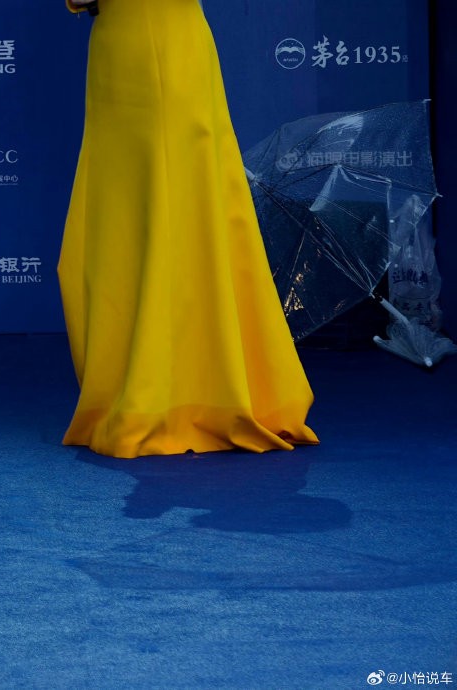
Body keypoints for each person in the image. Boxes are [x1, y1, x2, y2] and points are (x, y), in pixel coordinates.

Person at [59, 0, 319, 458]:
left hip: (164, 45)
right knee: (128, 223)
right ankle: (147, 391)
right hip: (120, 52)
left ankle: (170, 396)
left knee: (184, 214)